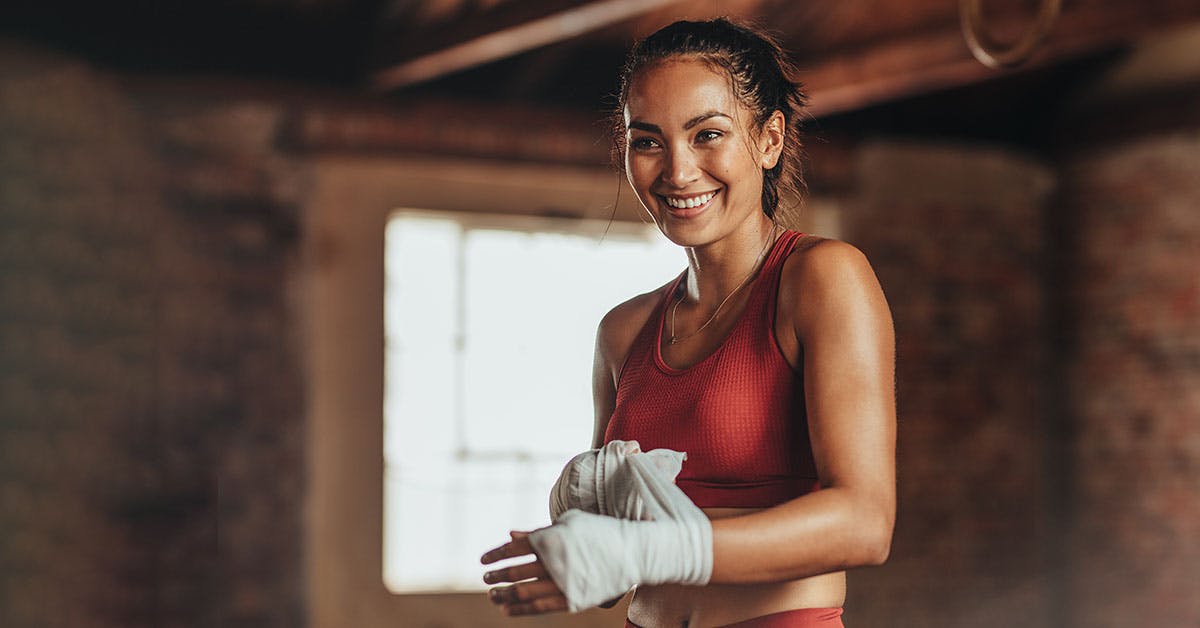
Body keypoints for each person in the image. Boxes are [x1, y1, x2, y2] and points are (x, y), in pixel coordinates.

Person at [481, 18, 896, 627]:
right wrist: (578, 540)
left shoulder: (821, 279)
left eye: (707, 134)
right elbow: (615, 577)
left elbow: (865, 523)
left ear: (769, 140)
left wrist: (646, 546)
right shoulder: (622, 332)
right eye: (647, 140)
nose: (677, 170)